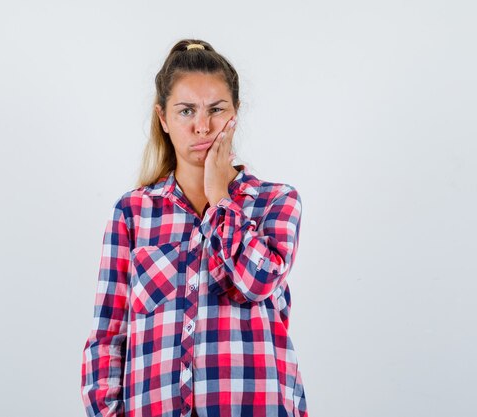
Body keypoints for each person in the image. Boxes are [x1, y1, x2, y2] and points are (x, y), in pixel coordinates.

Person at [81, 39, 308, 417]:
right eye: (186, 111)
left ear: (236, 114)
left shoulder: (275, 202)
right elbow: (107, 337)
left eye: (216, 110)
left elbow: (257, 282)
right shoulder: (132, 213)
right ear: (163, 118)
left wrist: (220, 198)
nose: (202, 127)